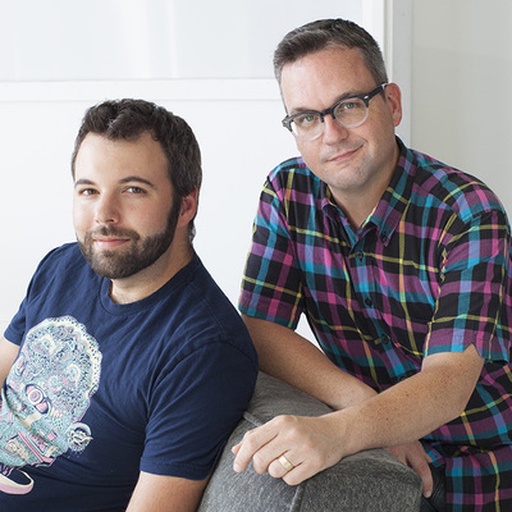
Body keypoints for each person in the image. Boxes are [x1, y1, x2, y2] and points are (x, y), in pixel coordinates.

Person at [233, 18, 512, 512]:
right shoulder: (286, 192)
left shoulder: (468, 212)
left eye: (349, 106)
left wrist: (338, 432)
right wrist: (362, 404)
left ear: (392, 104)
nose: (332, 134)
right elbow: (259, 329)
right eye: (307, 118)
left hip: (485, 462)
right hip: (381, 454)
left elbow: (449, 382)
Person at [0, 98, 258, 511]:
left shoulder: (204, 351)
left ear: (186, 204)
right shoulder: (62, 266)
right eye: (89, 190)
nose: (104, 215)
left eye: (133, 190)